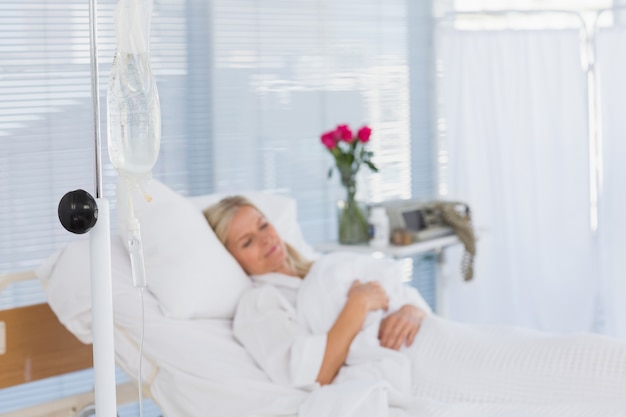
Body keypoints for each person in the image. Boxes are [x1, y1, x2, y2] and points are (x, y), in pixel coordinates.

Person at [204, 196, 626, 415]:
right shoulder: (260, 304)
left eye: (263, 224)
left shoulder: (320, 265)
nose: (266, 239)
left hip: (440, 337)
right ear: (230, 256)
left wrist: (413, 310)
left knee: (567, 354)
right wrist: (358, 304)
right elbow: (316, 372)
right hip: (413, 366)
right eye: (247, 241)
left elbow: (398, 297)